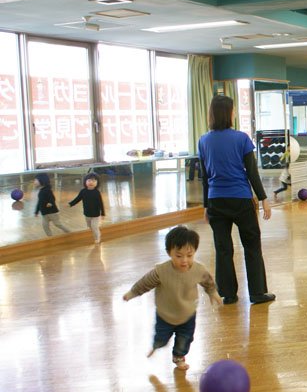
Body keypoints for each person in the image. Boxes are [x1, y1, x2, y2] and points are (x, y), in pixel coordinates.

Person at [198, 95, 275, 305]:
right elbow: (252, 172)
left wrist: (206, 205)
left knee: (223, 249)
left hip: (216, 200)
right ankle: (257, 293)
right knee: (252, 245)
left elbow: (205, 177)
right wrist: (263, 198)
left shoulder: (203, 141)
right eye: (233, 110)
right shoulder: (241, 138)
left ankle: (227, 293)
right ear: (229, 113)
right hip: (240, 199)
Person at [122, 226, 222, 370]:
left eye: (189, 255)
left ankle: (178, 357)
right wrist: (132, 293)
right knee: (161, 338)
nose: (184, 261)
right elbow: (145, 283)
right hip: (165, 314)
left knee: (185, 339)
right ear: (169, 253)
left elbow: (208, 282)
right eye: (178, 256)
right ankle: (156, 345)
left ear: (194, 252)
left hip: (188, 313)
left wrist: (213, 293)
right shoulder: (161, 271)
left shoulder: (199, 270)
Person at [69, 172, 105, 243]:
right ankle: (96, 232)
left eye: (93, 181)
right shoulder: (83, 191)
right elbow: (77, 199)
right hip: (87, 214)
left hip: (96, 214)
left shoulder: (97, 192)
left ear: (97, 183)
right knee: (90, 226)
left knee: (94, 227)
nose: (91, 182)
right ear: (85, 182)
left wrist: (103, 213)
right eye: (89, 180)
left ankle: (97, 237)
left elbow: (100, 203)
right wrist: (70, 204)